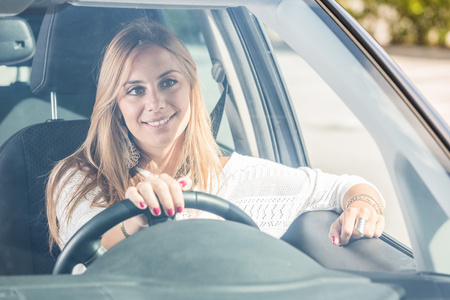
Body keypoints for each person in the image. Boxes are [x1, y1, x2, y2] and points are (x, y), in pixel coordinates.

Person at [46, 19, 385, 252]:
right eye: (135, 90)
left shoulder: (238, 178)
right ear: (116, 104)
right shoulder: (78, 178)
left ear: (193, 88)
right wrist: (134, 216)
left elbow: (342, 187)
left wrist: (363, 205)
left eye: (168, 82)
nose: (156, 103)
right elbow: (88, 247)